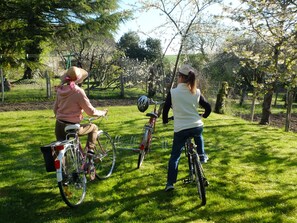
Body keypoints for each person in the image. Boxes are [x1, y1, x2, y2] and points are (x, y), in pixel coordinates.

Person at [162, 64, 211, 192]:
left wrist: (165, 120)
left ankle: (170, 183)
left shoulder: (173, 92)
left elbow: (166, 108)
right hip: (196, 126)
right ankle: (201, 154)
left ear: (181, 77)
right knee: (199, 135)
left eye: (178, 76)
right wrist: (204, 115)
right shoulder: (196, 91)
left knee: (175, 156)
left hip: (181, 129)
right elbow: (208, 107)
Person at [53, 66, 107, 150]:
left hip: (59, 125)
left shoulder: (60, 90)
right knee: (94, 127)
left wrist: (62, 116)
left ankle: (62, 162)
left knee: (61, 150)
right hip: (73, 126)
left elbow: (55, 109)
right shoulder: (78, 91)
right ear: (78, 79)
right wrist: (102, 113)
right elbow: (90, 112)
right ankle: (90, 152)